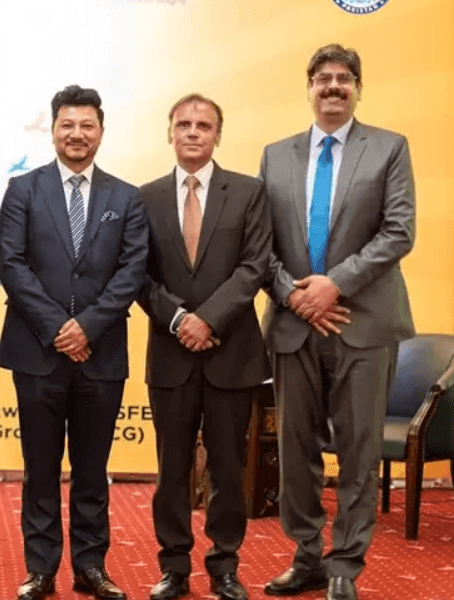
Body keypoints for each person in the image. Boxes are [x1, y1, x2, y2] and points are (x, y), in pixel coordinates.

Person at [259, 44, 415, 600]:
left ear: (357, 88)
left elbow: (399, 232)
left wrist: (334, 284)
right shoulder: (275, 156)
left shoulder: (390, 148)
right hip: (294, 323)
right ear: (308, 87)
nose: (332, 87)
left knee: (358, 449)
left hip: (363, 323)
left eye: (343, 79)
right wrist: (292, 293)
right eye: (322, 78)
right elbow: (261, 244)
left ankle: (345, 565)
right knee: (296, 448)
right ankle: (305, 556)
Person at [0, 85, 148, 600]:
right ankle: (41, 568)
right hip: (37, 353)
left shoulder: (126, 198)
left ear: (100, 132)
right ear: (53, 130)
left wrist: (88, 327)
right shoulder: (22, 190)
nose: (76, 134)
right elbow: (11, 266)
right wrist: (58, 328)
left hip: (100, 355)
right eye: (67, 124)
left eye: (86, 125)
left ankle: (90, 566)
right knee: (40, 468)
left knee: (91, 470)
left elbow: (132, 271)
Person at [136, 94, 271, 600]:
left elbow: (254, 266)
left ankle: (225, 565)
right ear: (169, 132)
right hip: (171, 356)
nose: (193, 132)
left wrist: (208, 320)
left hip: (230, 354)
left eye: (204, 125)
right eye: (184, 124)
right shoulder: (143, 197)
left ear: (218, 134)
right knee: (170, 470)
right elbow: (138, 275)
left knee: (228, 469)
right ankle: (173, 567)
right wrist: (178, 320)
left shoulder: (250, 192)